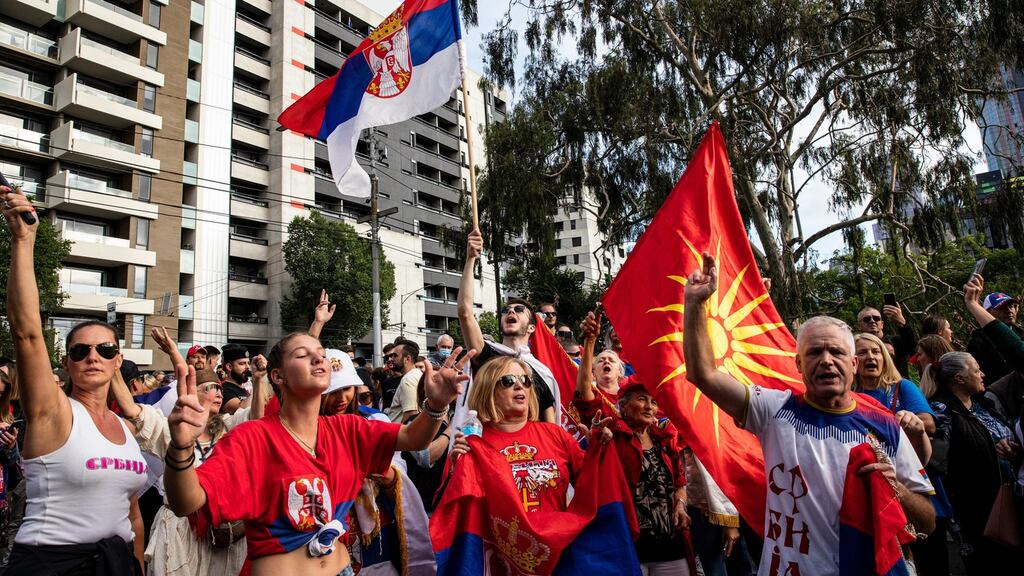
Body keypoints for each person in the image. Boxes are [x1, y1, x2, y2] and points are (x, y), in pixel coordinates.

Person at [683, 253, 935, 576]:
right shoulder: (774, 409)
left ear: (853, 364)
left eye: (837, 352)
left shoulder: (884, 423)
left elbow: (928, 520)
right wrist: (695, 305)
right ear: (799, 365)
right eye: (815, 352)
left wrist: (894, 488)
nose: (826, 361)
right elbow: (703, 374)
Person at [162, 330, 472, 575]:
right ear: (278, 376)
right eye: (303, 355)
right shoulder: (252, 438)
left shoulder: (348, 429)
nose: (318, 359)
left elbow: (413, 438)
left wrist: (436, 405)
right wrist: (181, 446)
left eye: (321, 354)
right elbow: (186, 502)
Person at [3, 184, 148, 574]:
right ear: (67, 362)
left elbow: (131, 513)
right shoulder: (53, 412)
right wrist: (24, 241)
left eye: (104, 350)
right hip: (51, 564)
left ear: (119, 360)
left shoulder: (124, 427)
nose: (92, 357)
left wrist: (135, 565)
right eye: (80, 351)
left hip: (114, 564)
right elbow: (27, 332)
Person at [111, 327, 268, 576]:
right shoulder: (169, 430)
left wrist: (259, 379)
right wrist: (112, 366)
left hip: (220, 529)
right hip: (180, 529)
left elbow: (257, 420)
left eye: (218, 388)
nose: (218, 393)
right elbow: (131, 410)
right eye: (209, 389)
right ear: (191, 394)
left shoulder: (227, 428)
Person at [575, 378, 697, 574]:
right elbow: (586, 397)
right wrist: (589, 345)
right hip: (629, 545)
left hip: (671, 547)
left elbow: (680, 483)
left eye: (654, 402)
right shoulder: (613, 436)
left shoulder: (664, 441)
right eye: (642, 400)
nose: (649, 407)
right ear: (622, 406)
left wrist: (680, 505)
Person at [458, 229, 558, 423]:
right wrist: (470, 259)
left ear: (531, 328)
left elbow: (550, 429)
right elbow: (465, 313)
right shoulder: (486, 355)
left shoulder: (541, 373)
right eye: (506, 310)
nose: (510, 312)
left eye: (519, 310)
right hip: (491, 448)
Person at [853, 332, 934, 462]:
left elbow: (929, 423)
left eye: (876, 352)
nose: (870, 357)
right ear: (853, 360)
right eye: (862, 352)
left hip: (909, 463)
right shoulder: (848, 395)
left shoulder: (902, 386)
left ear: (884, 358)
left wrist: (905, 420)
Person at [575, 311, 630, 415]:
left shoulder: (631, 398)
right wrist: (590, 340)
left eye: (612, 360)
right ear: (593, 373)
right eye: (601, 360)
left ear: (620, 372)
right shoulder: (592, 395)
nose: (606, 361)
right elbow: (584, 385)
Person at [966, 291, 1024, 385]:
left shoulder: (1021, 333)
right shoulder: (978, 342)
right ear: (987, 312)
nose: (1009, 310)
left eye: (1011, 306)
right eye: (1002, 308)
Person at [856, 302, 917, 378]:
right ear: (859, 326)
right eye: (867, 319)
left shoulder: (896, 341)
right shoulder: (855, 345)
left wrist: (902, 324)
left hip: (897, 387)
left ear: (882, 324)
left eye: (876, 318)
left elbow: (911, 347)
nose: (872, 321)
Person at [385, 338, 424, 423]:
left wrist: (398, 434)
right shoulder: (416, 375)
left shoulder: (408, 379)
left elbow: (411, 415)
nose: (391, 359)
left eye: (395, 355)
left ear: (407, 359)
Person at [219, 344, 252, 414]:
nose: (248, 367)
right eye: (242, 363)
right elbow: (240, 409)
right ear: (229, 367)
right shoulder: (223, 390)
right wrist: (258, 381)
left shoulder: (243, 389)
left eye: (248, 363)